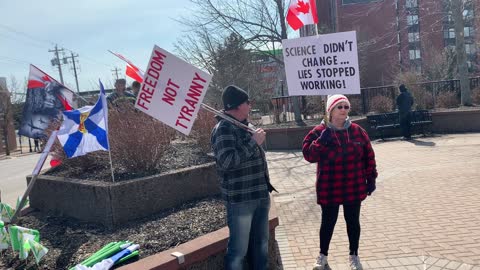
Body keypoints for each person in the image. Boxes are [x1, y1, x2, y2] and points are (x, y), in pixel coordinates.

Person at [302, 94, 378, 270]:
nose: (344, 110)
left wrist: (371, 177)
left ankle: (354, 256)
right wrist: (322, 140)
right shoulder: (318, 132)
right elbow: (309, 155)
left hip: (354, 185)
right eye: (340, 107)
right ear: (330, 110)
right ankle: (322, 256)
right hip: (330, 186)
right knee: (328, 221)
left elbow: (369, 156)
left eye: (346, 107)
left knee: (353, 222)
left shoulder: (358, 131)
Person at [210, 85, 276, 270]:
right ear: (237, 106)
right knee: (238, 251)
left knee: (261, 246)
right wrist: (253, 142)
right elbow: (227, 162)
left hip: (260, 195)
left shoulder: (246, 126)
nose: (250, 106)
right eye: (248, 102)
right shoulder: (223, 128)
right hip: (241, 200)